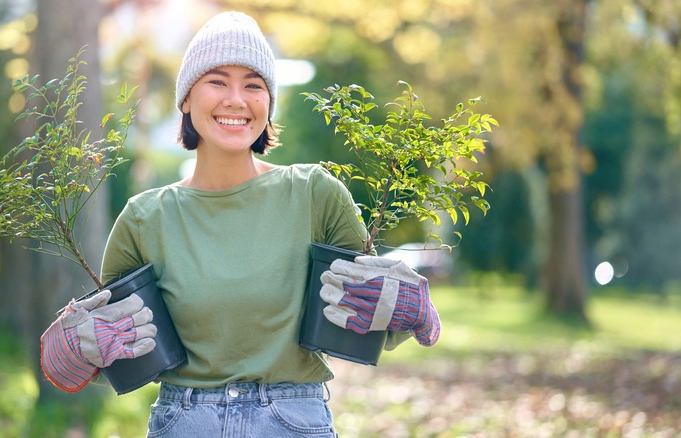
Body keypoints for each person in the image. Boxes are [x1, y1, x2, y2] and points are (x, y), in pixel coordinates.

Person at [40, 11, 440, 437]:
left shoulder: (314, 194)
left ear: (268, 104)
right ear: (187, 99)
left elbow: (366, 313)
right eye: (217, 81)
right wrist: (78, 349)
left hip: (292, 422)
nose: (236, 99)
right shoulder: (145, 218)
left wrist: (411, 309)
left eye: (253, 85)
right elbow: (122, 347)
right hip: (185, 423)